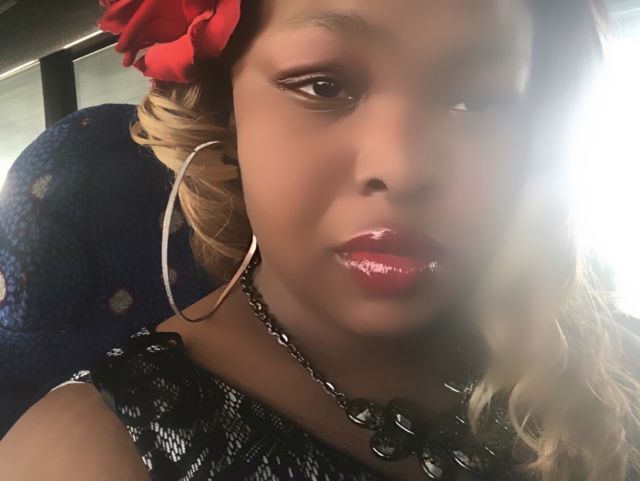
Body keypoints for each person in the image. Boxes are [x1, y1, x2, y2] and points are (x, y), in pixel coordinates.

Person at [1, 0, 639, 480]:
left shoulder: (617, 362)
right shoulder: (82, 454)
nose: (403, 167)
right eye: (323, 85)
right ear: (226, 112)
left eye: (479, 100)